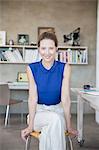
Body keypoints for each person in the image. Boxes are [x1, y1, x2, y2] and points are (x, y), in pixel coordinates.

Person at [21, 31, 78, 150]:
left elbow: (65, 99)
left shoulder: (65, 68)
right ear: (38, 49)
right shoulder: (31, 68)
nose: (47, 52)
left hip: (58, 111)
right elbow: (32, 98)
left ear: (56, 48)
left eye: (51, 48)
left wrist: (69, 125)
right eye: (43, 48)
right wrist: (30, 125)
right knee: (55, 120)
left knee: (52, 126)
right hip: (38, 114)